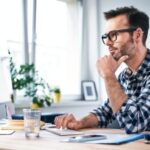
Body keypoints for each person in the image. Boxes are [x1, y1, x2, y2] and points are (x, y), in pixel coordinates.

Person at [54, 6, 150, 134]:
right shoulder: (124, 76)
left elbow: (135, 124)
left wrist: (108, 75)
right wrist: (80, 122)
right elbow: (106, 112)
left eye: (114, 35)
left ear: (137, 35)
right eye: (106, 37)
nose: (108, 43)